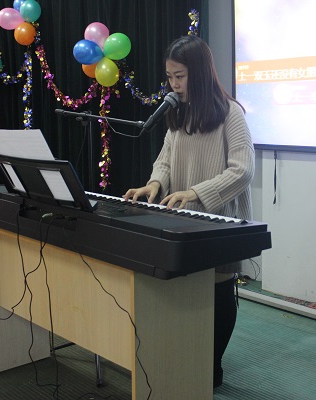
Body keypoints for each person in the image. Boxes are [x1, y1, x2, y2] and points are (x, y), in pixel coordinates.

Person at [123, 34, 255, 388]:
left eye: (180, 76)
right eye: (169, 77)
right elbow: (166, 159)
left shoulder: (231, 113)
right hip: (183, 217)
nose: (174, 84)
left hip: (219, 218)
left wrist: (197, 193)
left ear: (199, 73)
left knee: (218, 289)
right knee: (186, 290)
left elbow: (242, 170)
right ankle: (188, 354)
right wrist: (154, 184)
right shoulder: (178, 112)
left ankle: (212, 366)